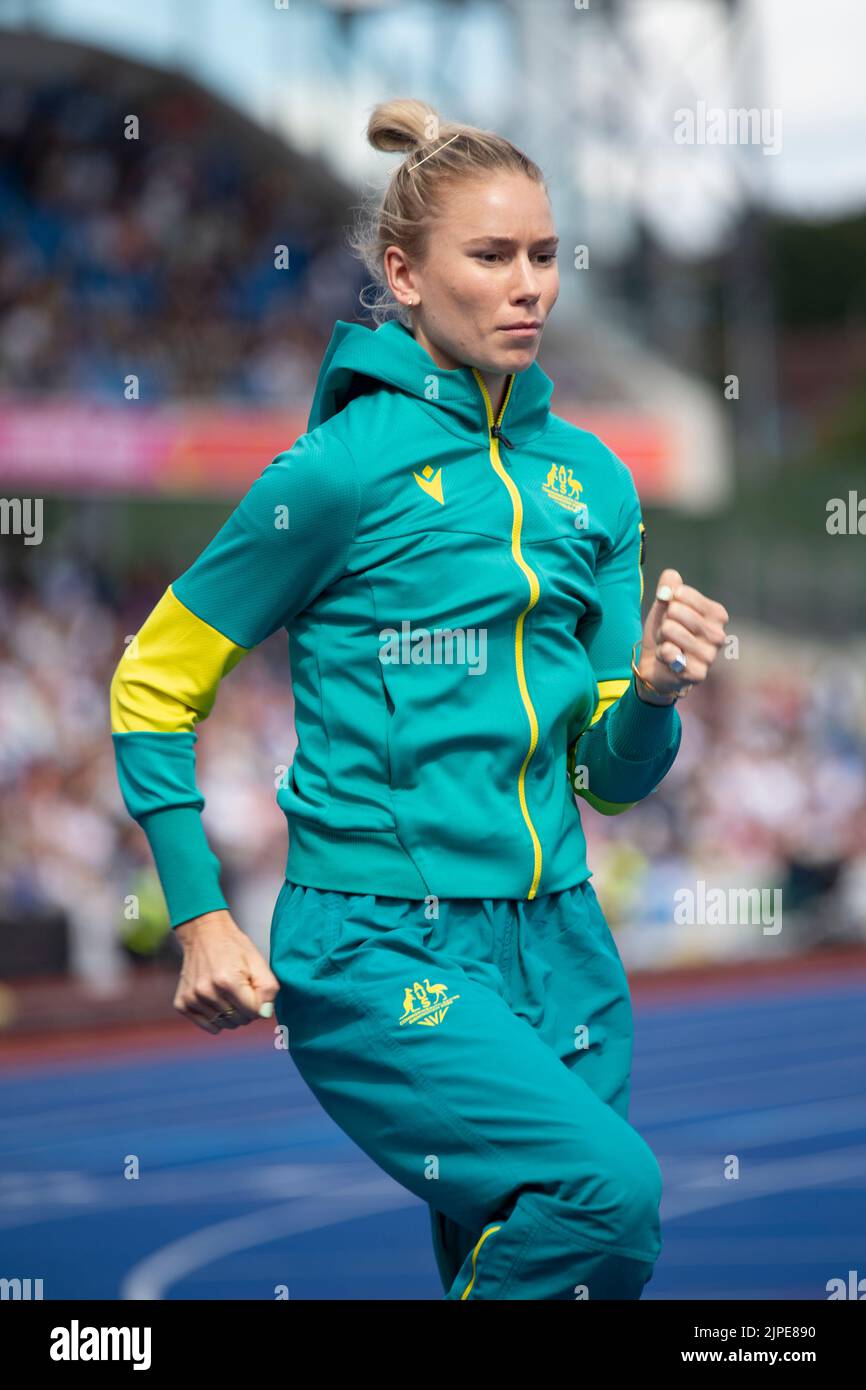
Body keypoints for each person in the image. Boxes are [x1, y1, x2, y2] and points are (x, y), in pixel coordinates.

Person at [109, 97, 729, 1300]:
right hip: (377, 938)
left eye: (544, 256)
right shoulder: (337, 470)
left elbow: (608, 774)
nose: (528, 287)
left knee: (544, 1261)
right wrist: (197, 914)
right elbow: (153, 679)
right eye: (490, 256)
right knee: (606, 1201)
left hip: (560, 941)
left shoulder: (593, 482)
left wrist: (653, 688)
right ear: (401, 273)